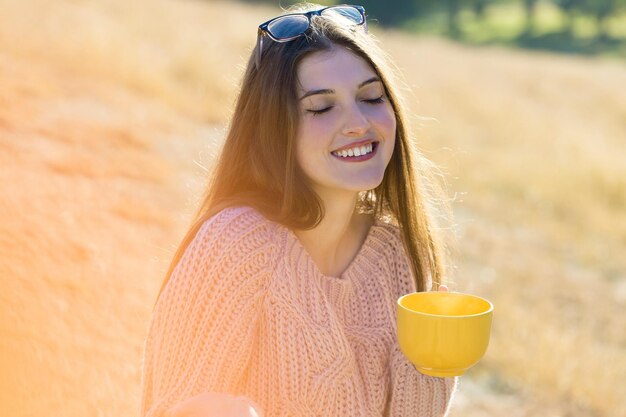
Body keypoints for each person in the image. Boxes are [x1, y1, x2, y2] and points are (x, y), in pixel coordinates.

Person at [140, 3, 457, 417]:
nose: (359, 122)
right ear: (275, 128)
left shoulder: (396, 254)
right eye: (322, 108)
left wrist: (434, 369)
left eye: (371, 97)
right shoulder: (236, 243)